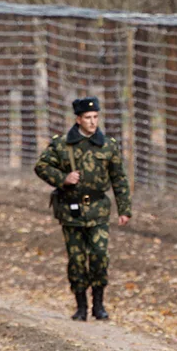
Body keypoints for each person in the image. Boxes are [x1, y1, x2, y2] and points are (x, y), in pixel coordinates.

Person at [35, 97, 131, 321]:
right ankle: (80, 306)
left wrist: (124, 209)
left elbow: (119, 179)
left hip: (98, 210)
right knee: (76, 259)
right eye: (88, 118)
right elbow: (41, 166)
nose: (93, 122)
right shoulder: (62, 145)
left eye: (96, 117)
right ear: (78, 119)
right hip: (71, 211)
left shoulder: (108, 145)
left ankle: (99, 304)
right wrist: (62, 178)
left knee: (99, 256)